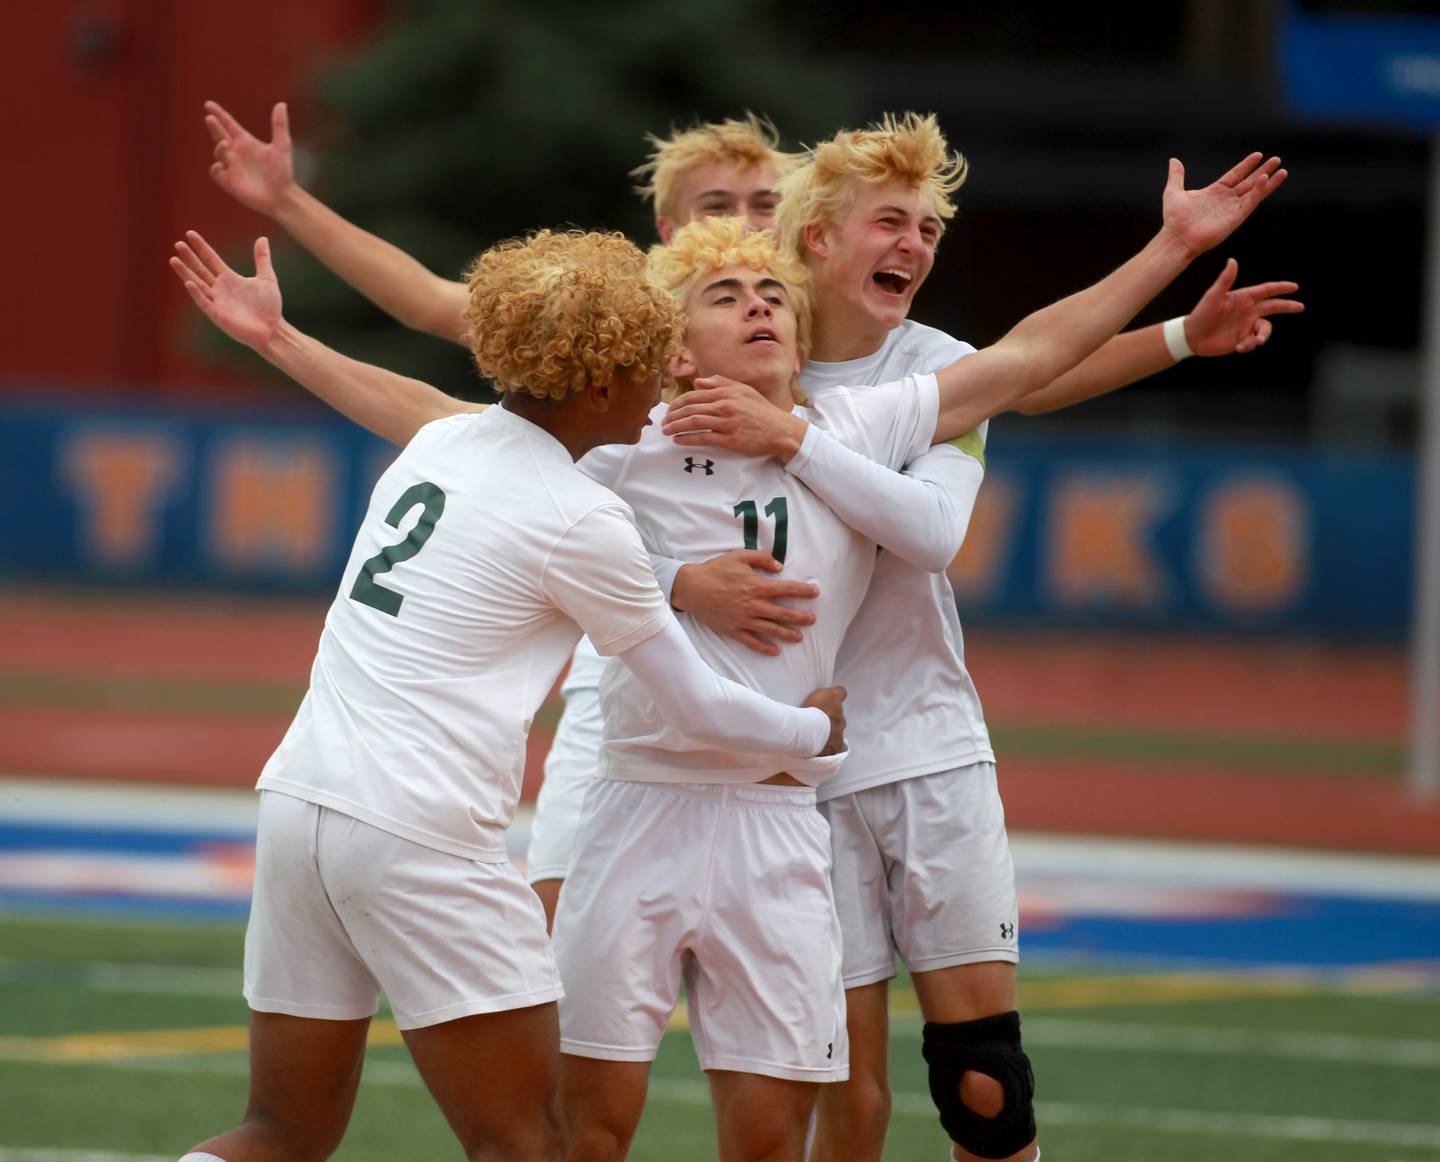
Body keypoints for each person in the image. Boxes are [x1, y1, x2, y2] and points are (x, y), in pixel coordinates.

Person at [224, 135, 1286, 1159]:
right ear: (668, 346)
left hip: (781, 818)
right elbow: (453, 411)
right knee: (574, 1129)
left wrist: (1172, 260)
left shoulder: (860, 418)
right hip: (635, 795)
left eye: (770, 287)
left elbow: (1030, 362)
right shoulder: (620, 442)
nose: (761, 300)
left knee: (789, 1125)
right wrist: (715, 619)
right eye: (728, 293)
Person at [659, 114, 1299, 1162]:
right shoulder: (729, 356)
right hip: (788, 769)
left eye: (926, 228)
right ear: (817, 239)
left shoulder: (933, 371)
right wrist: (685, 579)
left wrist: (1177, 280)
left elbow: (939, 526)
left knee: (984, 1085)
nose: (913, 246)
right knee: (835, 1092)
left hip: (922, 746)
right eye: (888, 223)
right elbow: (595, 505)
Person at [165, 225, 846, 1162]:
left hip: (298, 806)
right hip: (423, 834)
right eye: (650, 364)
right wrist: (812, 731)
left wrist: (282, 342)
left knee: (281, 1132)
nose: (662, 382)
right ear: (600, 383)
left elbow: (427, 410)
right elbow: (696, 703)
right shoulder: (582, 515)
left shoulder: (439, 446)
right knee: (531, 1143)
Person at [200, 100, 816, 924]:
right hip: (629, 666)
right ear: (667, 227)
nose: (745, 221)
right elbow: (431, 326)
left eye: (765, 203)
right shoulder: (611, 331)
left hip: (791, 682)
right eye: (718, 205)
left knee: (816, 990)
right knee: (571, 929)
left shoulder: (831, 346)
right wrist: (286, 206)